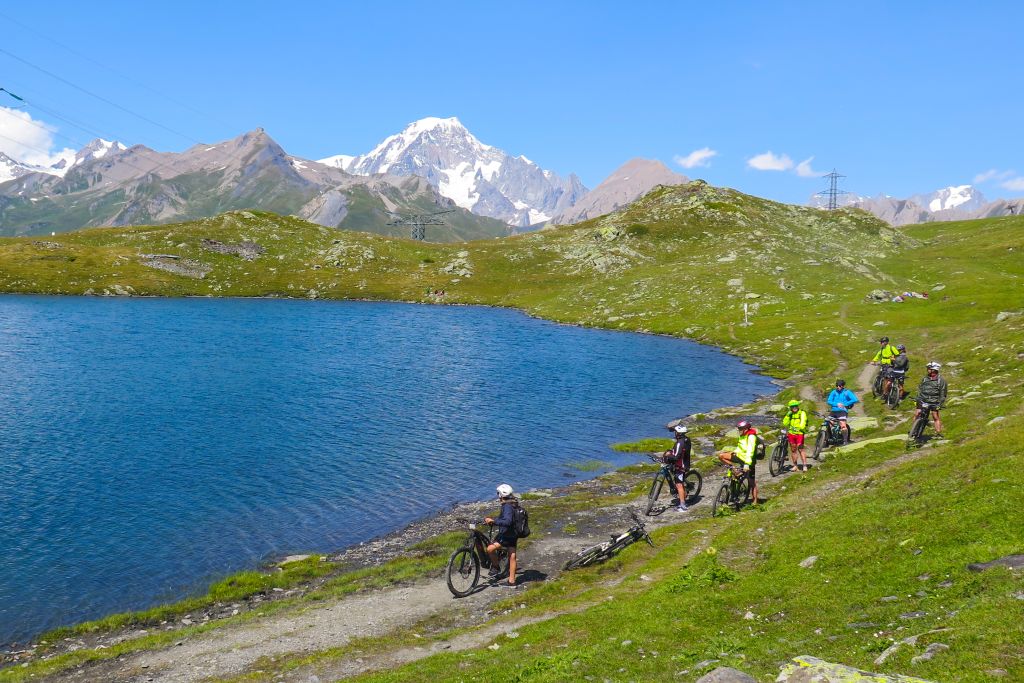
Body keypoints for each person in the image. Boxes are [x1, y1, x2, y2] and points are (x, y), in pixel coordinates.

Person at [484, 484, 520, 587]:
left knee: (490, 549)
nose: (497, 496)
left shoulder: (507, 506)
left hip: (506, 534)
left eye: (498, 494)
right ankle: (512, 582)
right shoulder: (513, 503)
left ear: (501, 494)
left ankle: (496, 567)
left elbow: (507, 521)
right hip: (514, 533)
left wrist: (494, 521)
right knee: (512, 556)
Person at [717, 420, 758, 504]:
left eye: (740, 428)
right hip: (739, 456)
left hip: (748, 460)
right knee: (721, 456)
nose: (738, 430)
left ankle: (755, 502)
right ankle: (734, 469)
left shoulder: (751, 437)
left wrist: (747, 464)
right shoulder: (742, 435)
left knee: (751, 482)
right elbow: (740, 447)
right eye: (738, 428)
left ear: (746, 429)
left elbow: (750, 450)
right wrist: (734, 451)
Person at [662, 424, 692, 512]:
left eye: (675, 432)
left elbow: (676, 457)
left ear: (678, 434)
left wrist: (668, 456)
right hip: (685, 463)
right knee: (679, 481)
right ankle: (683, 494)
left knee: (679, 484)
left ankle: (683, 506)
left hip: (680, 466)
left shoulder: (680, 443)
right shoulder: (686, 439)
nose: (674, 433)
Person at [914, 362, 947, 437]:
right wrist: (917, 398)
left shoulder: (941, 380)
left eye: (929, 368)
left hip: (934, 402)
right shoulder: (925, 378)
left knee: (935, 416)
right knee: (917, 413)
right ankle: (914, 430)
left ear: (934, 370)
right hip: (923, 399)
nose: (927, 370)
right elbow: (920, 389)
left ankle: (938, 433)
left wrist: (940, 404)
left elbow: (943, 393)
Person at [781, 399, 809, 472]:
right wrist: (787, 415)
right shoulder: (790, 414)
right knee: (793, 450)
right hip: (791, 434)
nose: (794, 407)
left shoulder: (802, 413)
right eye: (792, 406)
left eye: (795, 406)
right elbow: (785, 423)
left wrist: (800, 428)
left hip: (799, 434)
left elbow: (803, 421)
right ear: (790, 407)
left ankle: (805, 465)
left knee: (800, 449)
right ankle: (795, 466)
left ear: (797, 406)